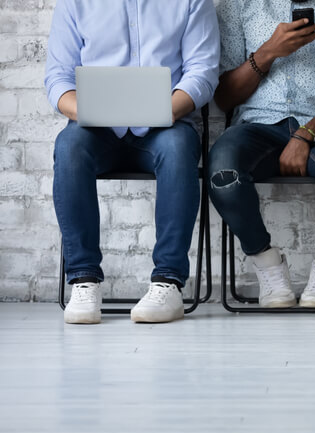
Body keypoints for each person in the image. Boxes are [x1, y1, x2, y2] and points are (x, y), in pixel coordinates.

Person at [44, 0, 220, 325]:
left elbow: (203, 71)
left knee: (180, 147)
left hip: (165, 124)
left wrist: (164, 110)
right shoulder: (74, 3)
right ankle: (83, 280)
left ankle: (168, 282)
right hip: (96, 128)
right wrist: (88, 112)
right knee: (68, 147)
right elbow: (58, 77)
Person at [209, 0, 315, 308]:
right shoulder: (238, 5)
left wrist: (306, 133)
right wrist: (267, 52)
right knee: (222, 173)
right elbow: (223, 96)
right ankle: (267, 264)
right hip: (256, 126)